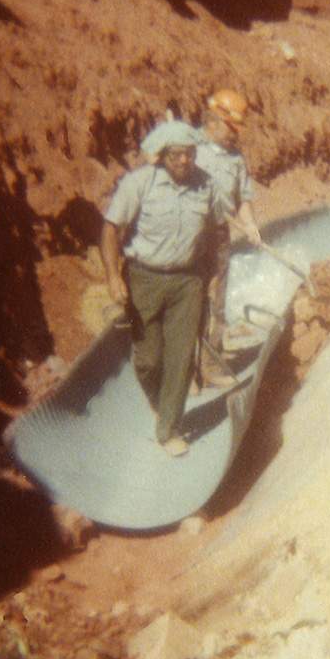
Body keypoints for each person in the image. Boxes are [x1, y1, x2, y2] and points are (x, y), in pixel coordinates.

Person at [101, 120, 222, 457]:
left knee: (182, 359)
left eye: (190, 154)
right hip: (144, 279)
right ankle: (158, 400)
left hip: (187, 281)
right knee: (149, 361)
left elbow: (213, 231)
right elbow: (111, 230)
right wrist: (113, 276)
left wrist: (212, 272)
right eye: (176, 155)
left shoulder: (206, 186)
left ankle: (168, 428)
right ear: (162, 155)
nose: (184, 161)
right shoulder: (139, 183)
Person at [194, 89, 263, 379]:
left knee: (216, 301)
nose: (235, 135)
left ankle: (211, 364)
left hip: (219, 237)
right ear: (213, 120)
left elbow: (243, 198)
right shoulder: (189, 147)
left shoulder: (235, 158)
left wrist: (249, 224)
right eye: (231, 128)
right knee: (191, 301)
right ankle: (188, 371)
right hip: (190, 237)